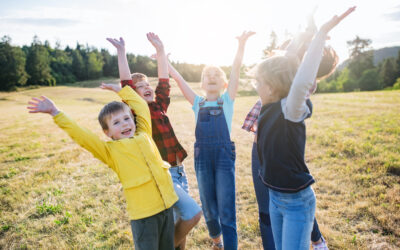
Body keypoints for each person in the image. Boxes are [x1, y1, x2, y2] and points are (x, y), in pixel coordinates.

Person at [27, 82, 178, 249]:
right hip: (144, 215)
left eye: (127, 118)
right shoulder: (110, 151)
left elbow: (141, 106)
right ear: (107, 132)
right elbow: (83, 136)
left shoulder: (144, 133)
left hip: (167, 207)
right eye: (117, 123)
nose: (125, 124)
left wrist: (120, 91)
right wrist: (56, 113)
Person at [254, 7, 355, 250]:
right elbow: (287, 62)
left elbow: (301, 81)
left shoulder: (290, 109)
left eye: (259, 82)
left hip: (296, 202)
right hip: (276, 198)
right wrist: (306, 31)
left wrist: (320, 34)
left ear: (273, 86)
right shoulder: (268, 105)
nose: (255, 85)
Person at [106, 33, 202, 250]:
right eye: (140, 86)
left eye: (147, 84)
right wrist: (122, 52)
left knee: (180, 223)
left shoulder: (160, 105)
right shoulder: (137, 116)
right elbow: (126, 84)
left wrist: (160, 53)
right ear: (133, 94)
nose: (147, 87)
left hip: (180, 171)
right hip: (164, 174)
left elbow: (165, 81)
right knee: (192, 215)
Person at [167, 31, 255, 250]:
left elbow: (235, 72)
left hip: (224, 157)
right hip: (203, 158)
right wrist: (163, 59)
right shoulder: (197, 103)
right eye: (208, 74)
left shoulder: (228, 101)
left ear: (224, 85)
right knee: (208, 206)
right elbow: (178, 78)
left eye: (217, 74)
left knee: (226, 208)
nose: (213, 76)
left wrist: (241, 45)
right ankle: (216, 240)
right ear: (202, 84)